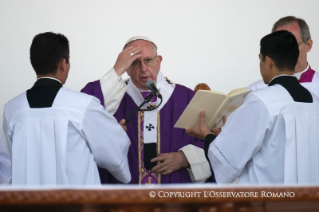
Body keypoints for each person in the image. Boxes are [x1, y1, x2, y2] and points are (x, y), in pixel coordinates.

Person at [186, 31, 319, 184]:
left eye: (260, 59)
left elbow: (227, 160)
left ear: (268, 61)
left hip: (269, 201)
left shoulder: (261, 100)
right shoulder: (315, 102)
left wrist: (206, 134)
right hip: (310, 199)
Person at [3, 32, 131, 185]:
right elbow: (112, 152)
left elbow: (12, 160)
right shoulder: (83, 105)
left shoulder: (12, 110)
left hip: (28, 204)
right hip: (75, 203)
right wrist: (115, 131)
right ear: (63, 63)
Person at [81, 36, 212, 184]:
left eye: (148, 60)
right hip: (124, 199)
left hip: (173, 197)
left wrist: (185, 158)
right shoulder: (111, 98)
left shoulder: (186, 98)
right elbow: (82, 112)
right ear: (127, 69)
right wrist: (116, 69)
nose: (143, 69)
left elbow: (209, 142)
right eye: (135, 63)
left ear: (159, 61)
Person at [248, 16, 319, 97]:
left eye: (293, 45)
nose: (286, 52)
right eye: (280, 46)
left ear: (308, 45)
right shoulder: (255, 90)